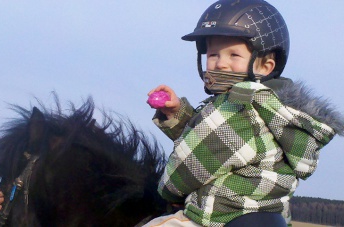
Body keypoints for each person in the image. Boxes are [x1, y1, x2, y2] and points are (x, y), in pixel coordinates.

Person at [144, 0, 344, 226]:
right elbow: (210, 141)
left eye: (233, 55)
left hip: (217, 215)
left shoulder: (243, 109)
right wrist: (177, 113)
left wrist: (166, 192)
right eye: (213, 55)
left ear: (265, 66)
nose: (221, 64)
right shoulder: (268, 109)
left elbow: (191, 165)